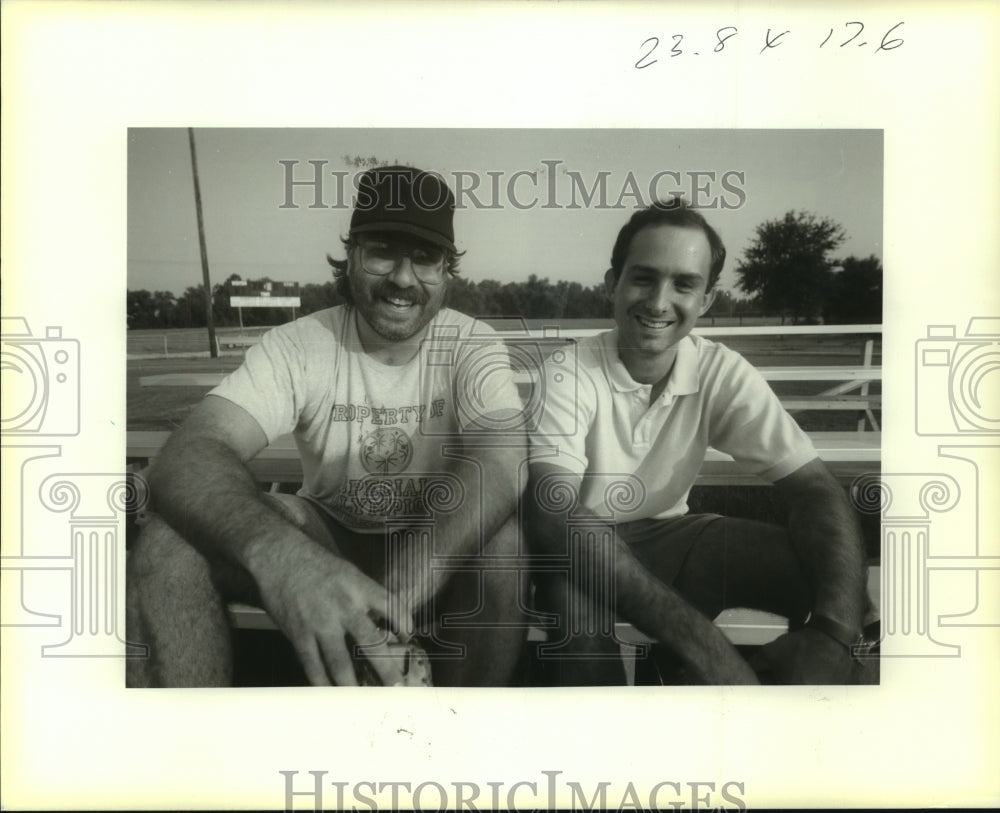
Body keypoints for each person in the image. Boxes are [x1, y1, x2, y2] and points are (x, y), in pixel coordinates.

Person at [128, 166, 528, 687]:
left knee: (505, 547)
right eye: (383, 250)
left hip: (438, 544)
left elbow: (501, 459)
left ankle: (457, 750)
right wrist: (287, 561)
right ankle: (193, 758)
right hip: (328, 538)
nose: (404, 278)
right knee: (166, 545)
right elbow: (190, 452)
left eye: (425, 258)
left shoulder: (472, 343)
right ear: (353, 255)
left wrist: (388, 605)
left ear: (446, 272)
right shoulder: (301, 344)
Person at [525, 199, 871, 685]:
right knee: (580, 633)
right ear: (612, 284)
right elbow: (554, 512)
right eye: (643, 278)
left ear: (707, 299)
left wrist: (834, 634)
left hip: (673, 538)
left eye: (684, 283)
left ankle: (810, 719)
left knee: (835, 590)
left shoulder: (718, 368)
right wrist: (710, 649)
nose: (659, 301)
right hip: (576, 549)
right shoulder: (569, 370)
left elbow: (813, 487)